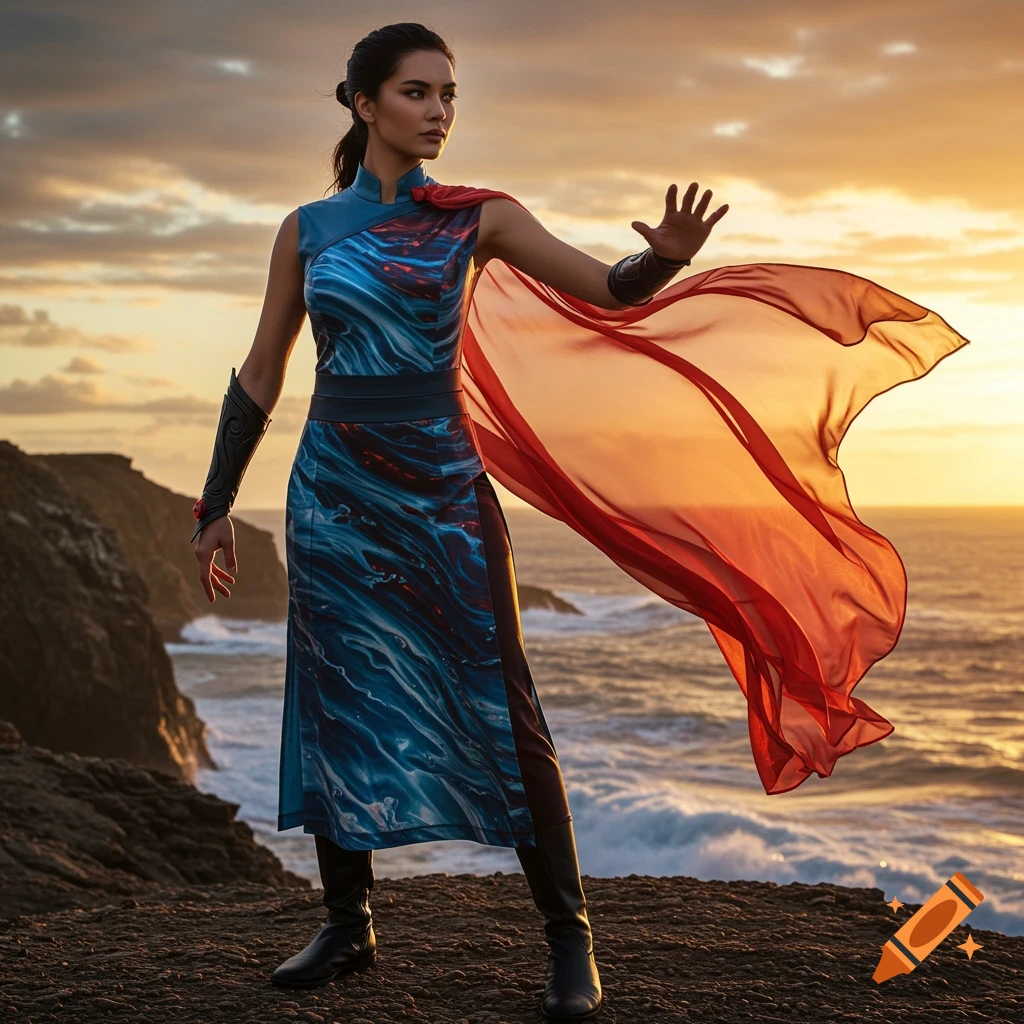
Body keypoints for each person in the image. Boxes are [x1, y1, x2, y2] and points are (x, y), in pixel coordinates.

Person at [190, 20, 969, 1023]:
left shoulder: (478, 218)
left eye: (449, 95)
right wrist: (215, 506)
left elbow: (603, 289)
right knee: (336, 698)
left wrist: (663, 263)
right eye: (418, 94)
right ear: (362, 103)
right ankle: (349, 924)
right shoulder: (306, 230)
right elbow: (263, 370)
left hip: (442, 491)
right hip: (334, 492)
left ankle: (570, 939)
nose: (438, 113)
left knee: (506, 708)